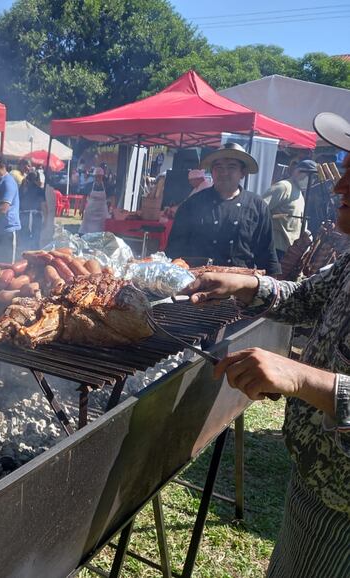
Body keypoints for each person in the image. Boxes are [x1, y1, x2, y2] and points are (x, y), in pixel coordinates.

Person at [182, 111, 350, 578]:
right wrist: (244, 285)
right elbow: (303, 296)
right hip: (318, 475)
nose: (338, 189)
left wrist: (299, 376)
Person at [166, 142, 280, 274]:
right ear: (212, 172)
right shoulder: (192, 204)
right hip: (197, 283)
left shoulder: (258, 207)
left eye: (231, 167)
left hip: (240, 287)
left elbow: (267, 254)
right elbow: (174, 251)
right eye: (218, 167)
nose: (224, 172)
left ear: (242, 173)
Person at [261, 159, 313, 261]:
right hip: (275, 248)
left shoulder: (299, 193)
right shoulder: (283, 187)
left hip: (289, 250)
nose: (311, 180)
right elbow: (259, 210)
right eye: (310, 176)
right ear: (298, 172)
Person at [18, 171, 46, 250]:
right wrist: (46, 219)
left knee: (24, 237)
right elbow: (43, 206)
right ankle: (33, 254)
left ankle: (23, 253)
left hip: (23, 216)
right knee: (35, 237)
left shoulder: (22, 189)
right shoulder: (39, 190)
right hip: (35, 217)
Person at [79, 167, 108, 234]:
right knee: (87, 230)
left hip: (102, 212)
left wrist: (112, 208)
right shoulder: (89, 185)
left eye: (99, 176)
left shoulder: (106, 186)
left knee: (101, 231)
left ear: (102, 176)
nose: (98, 178)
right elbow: (84, 198)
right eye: (96, 176)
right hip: (90, 212)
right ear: (94, 176)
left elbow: (112, 197)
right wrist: (81, 208)